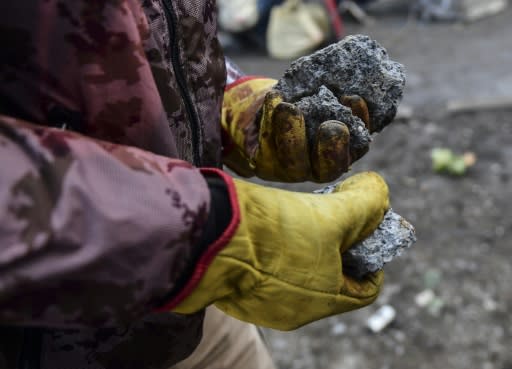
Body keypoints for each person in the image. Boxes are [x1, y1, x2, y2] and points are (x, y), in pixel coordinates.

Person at [0, 1, 390, 368]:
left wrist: (226, 101)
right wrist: (210, 235)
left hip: (183, 313)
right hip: (44, 334)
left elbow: (158, 26)